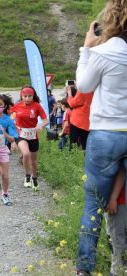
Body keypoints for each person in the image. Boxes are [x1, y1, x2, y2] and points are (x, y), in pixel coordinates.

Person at [74, 6, 127, 274]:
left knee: (93, 204)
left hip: (107, 133)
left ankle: (85, 268)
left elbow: (83, 86)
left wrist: (87, 47)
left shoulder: (105, 52)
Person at [10, 85, 49, 191]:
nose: (27, 99)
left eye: (29, 96)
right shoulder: (17, 105)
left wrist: (40, 126)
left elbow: (46, 120)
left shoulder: (37, 106)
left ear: (33, 96)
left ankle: (34, 177)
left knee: (33, 161)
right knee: (25, 154)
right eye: (25, 96)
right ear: (21, 96)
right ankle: (27, 176)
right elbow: (6, 116)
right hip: (21, 134)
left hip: (33, 135)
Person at [104, 168, 126, 276]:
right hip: (116, 198)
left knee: (115, 237)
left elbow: (120, 171)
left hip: (118, 200)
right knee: (114, 235)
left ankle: (116, 271)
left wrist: (113, 198)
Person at [66, 85, 93, 150]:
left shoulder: (83, 91)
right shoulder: (93, 90)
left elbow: (72, 104)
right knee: (85, 143)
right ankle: (85, 158)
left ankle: (73, 157)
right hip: (88, 121)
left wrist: (69, 92)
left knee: (73, 143)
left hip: (77, 121)